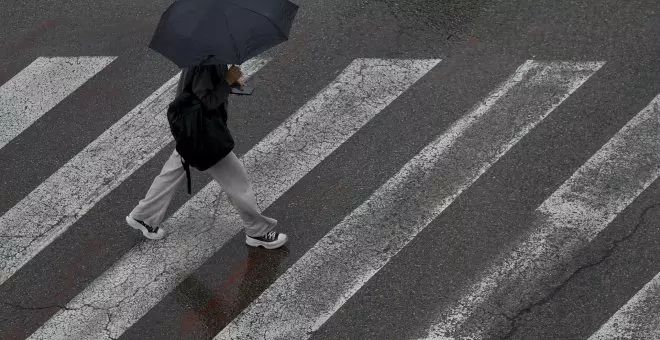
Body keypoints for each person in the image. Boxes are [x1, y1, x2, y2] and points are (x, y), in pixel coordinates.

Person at [125, 63, 287, 249]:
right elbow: (206, 101)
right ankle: (258, 231)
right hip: (205, 135)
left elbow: (200, 91)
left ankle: (143, 216)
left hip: (191, 132)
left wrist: (230, 82)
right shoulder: (206, 61)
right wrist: (227, 81)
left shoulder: (204, 54)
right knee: (238, 182)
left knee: (172, 172)